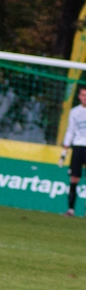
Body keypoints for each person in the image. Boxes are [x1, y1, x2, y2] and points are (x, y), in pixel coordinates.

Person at [60, 87, 86, 216]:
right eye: (83, 95)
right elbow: (70, 130)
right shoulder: (74, 112)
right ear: (79, 96)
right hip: (78, 147)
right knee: (74, 178)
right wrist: (65, 149)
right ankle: (71, 209)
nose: (84, 97)